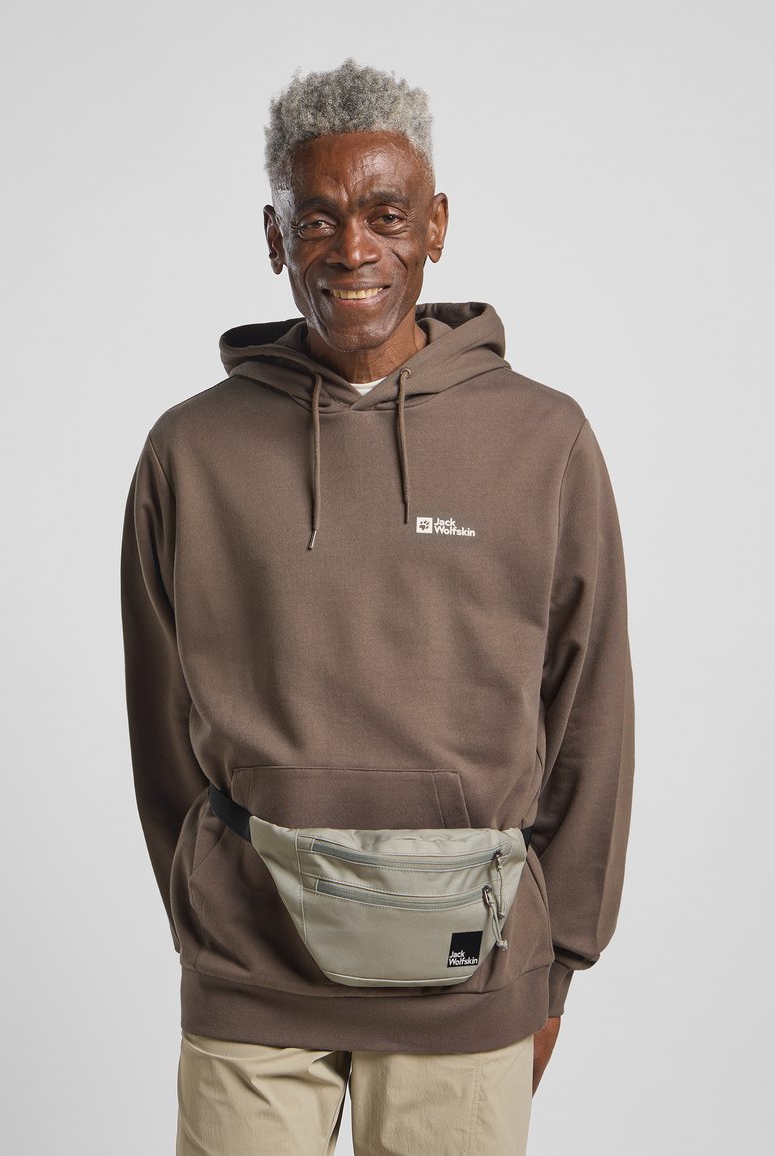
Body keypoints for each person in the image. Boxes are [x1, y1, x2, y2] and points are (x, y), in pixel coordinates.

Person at [120, 58, 635, 1156]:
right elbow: (160, 727)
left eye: (385, 215)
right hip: (250, 973)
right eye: (315, 219)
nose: (352, 249)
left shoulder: (543, 441)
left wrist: (556, 965)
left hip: (469, 978)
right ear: (275, 238)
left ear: (435, 225)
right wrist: (202, 915)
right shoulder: (189, 452)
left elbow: (590, 713)